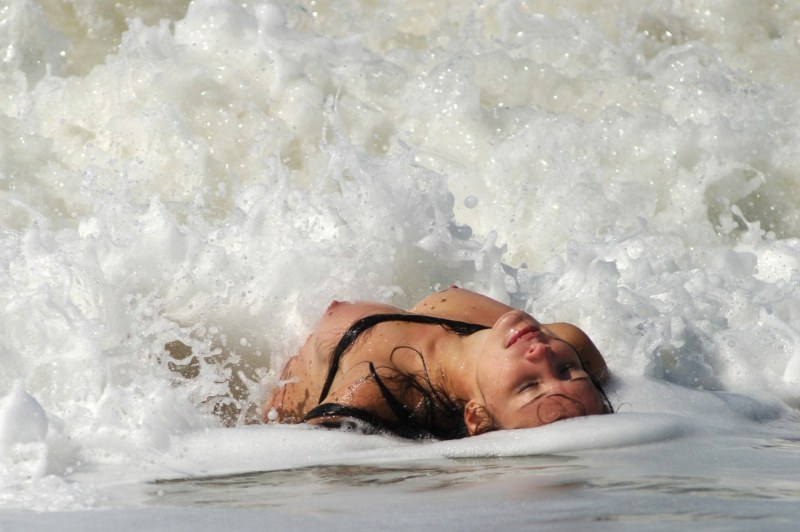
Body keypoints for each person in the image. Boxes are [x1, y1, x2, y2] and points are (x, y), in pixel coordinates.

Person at [263, 286, 611, 439]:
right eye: (567, 371)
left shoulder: (378, 385)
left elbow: (304, 462)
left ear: (475, 415)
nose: (543, 355)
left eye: (528, 385)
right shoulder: (569, 341)